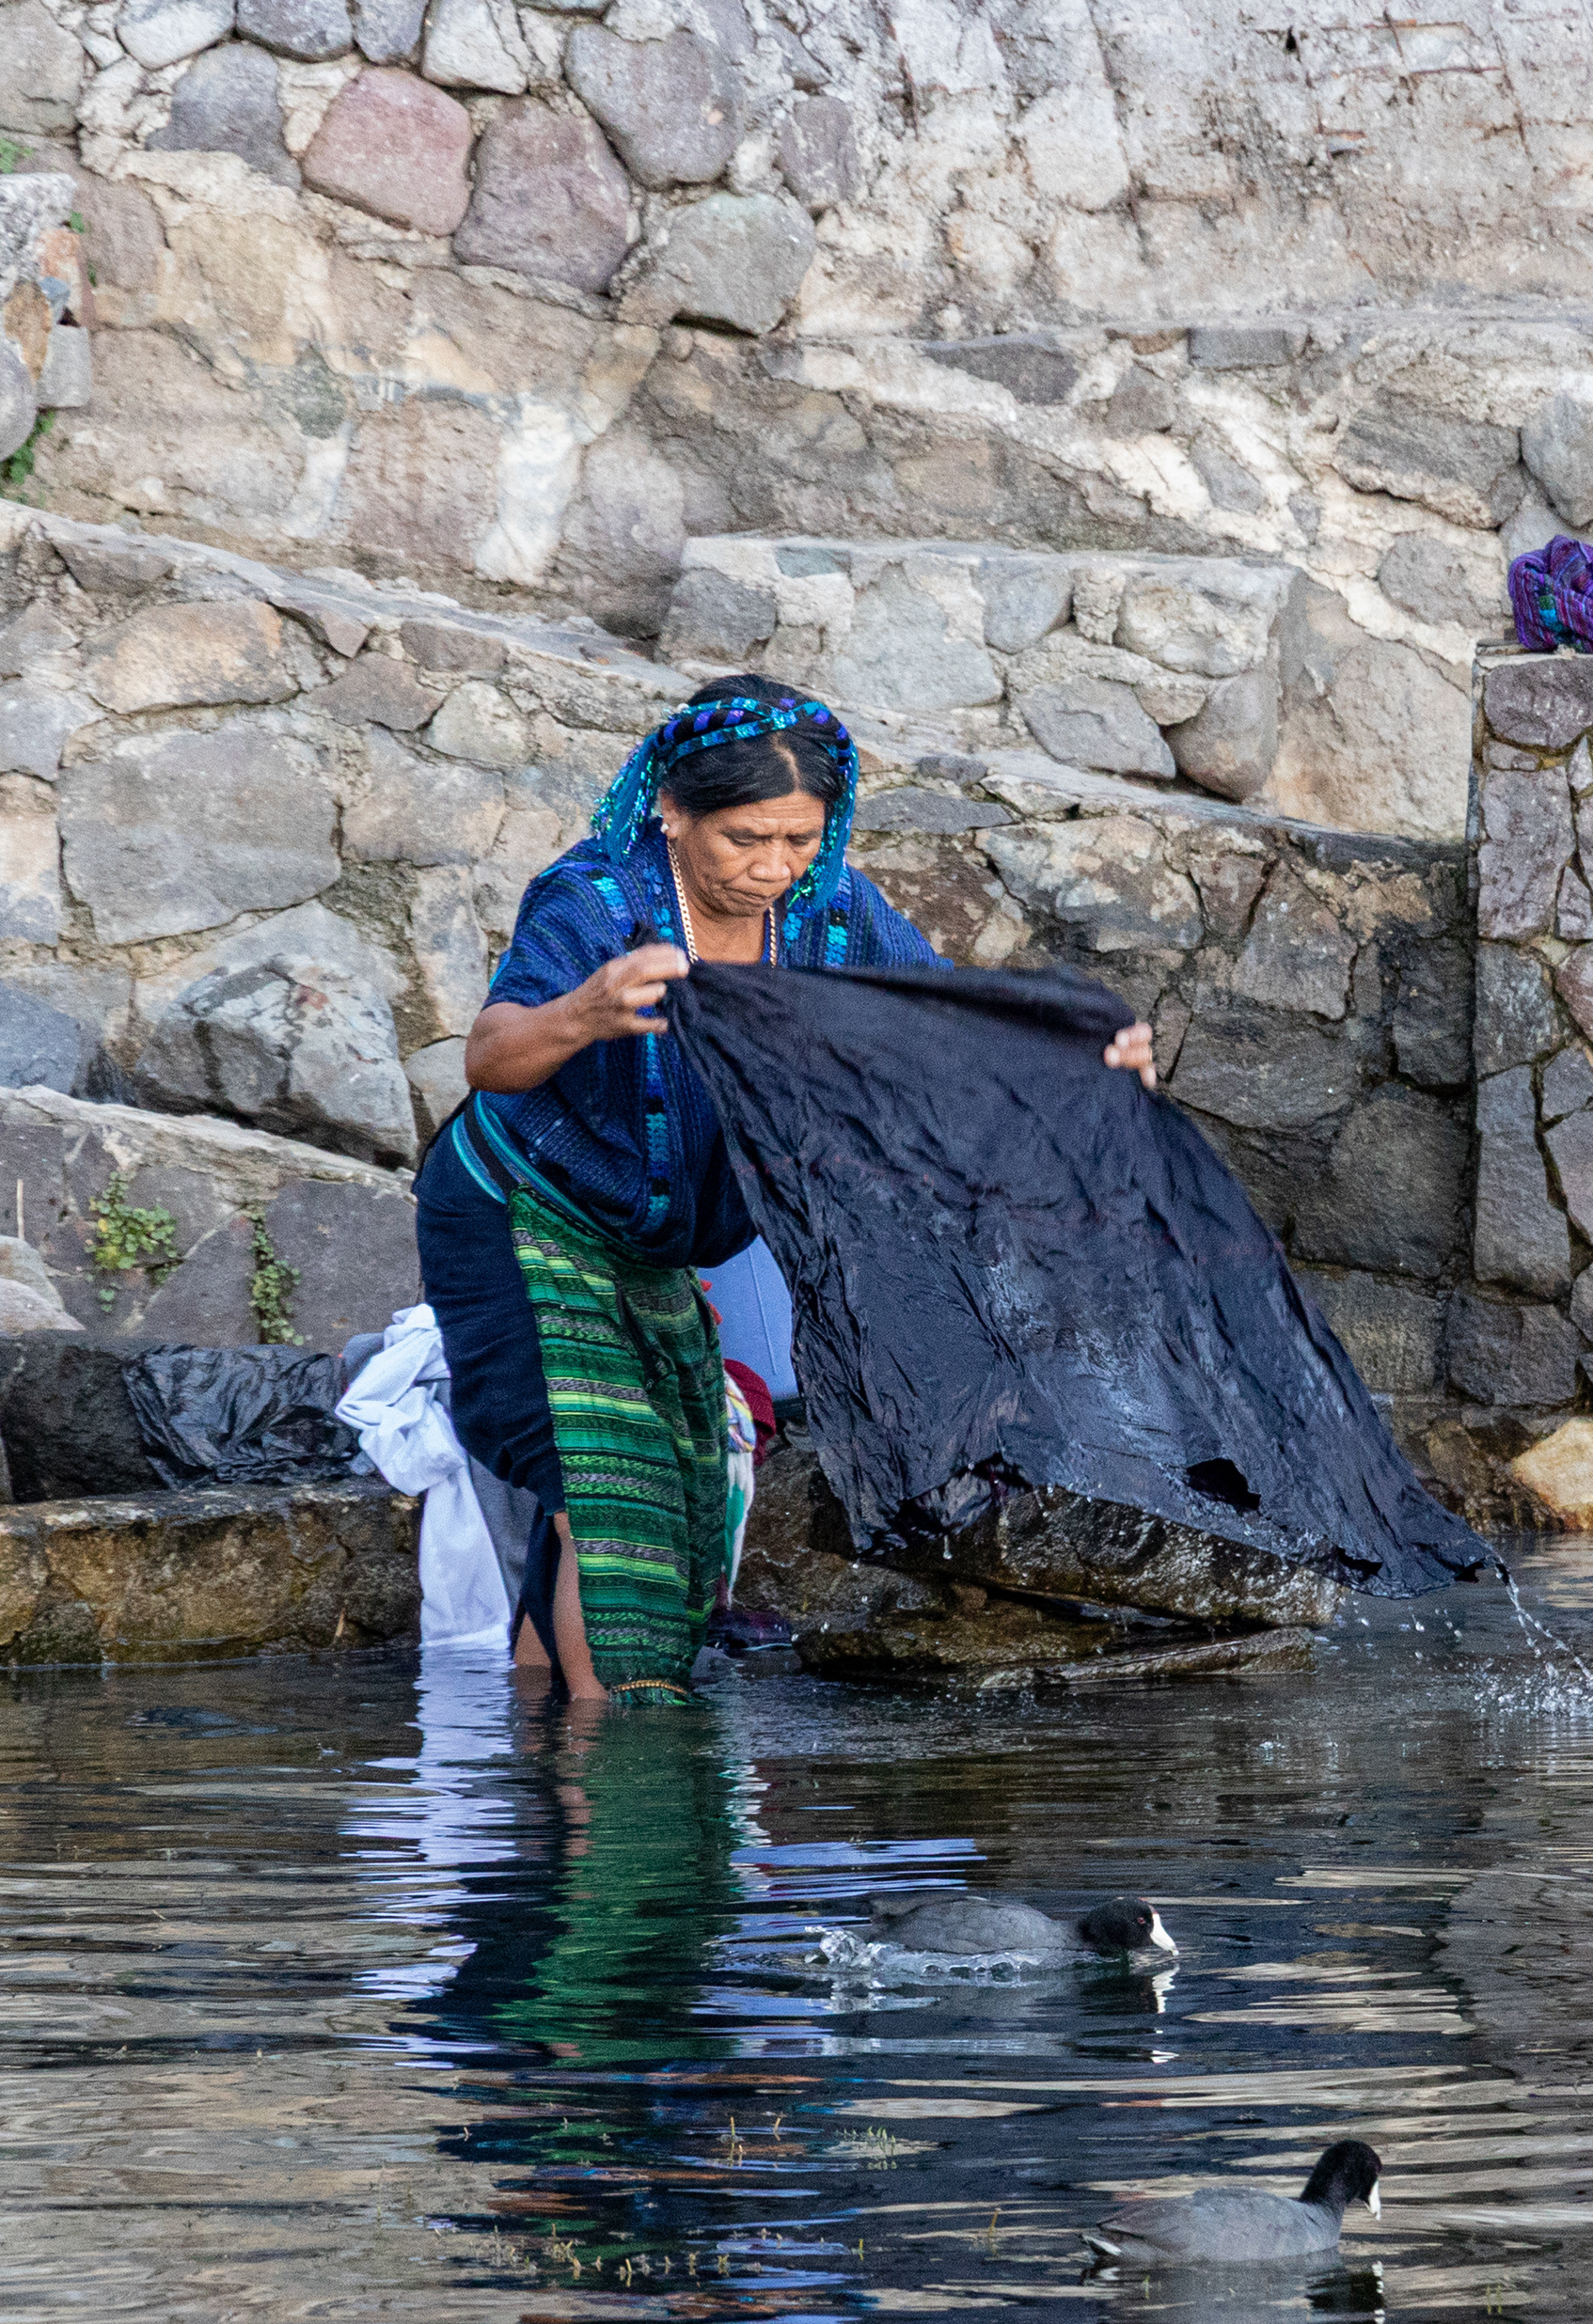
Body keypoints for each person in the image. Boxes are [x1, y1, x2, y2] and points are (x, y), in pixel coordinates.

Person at [417, 674, 1155, 1707]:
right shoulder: (596, 900)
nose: (773, 867)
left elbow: (941, 1017)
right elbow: (491, 1056)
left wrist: (1077, 1047)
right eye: (745, 839)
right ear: (674, 811)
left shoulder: (831, 911)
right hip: (520, 1222)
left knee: (667, 1489)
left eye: (799, 839)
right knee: (611, 1496)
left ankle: (540, 1738)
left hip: (653, 1249)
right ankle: (616, 1767)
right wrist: (584, 1011)